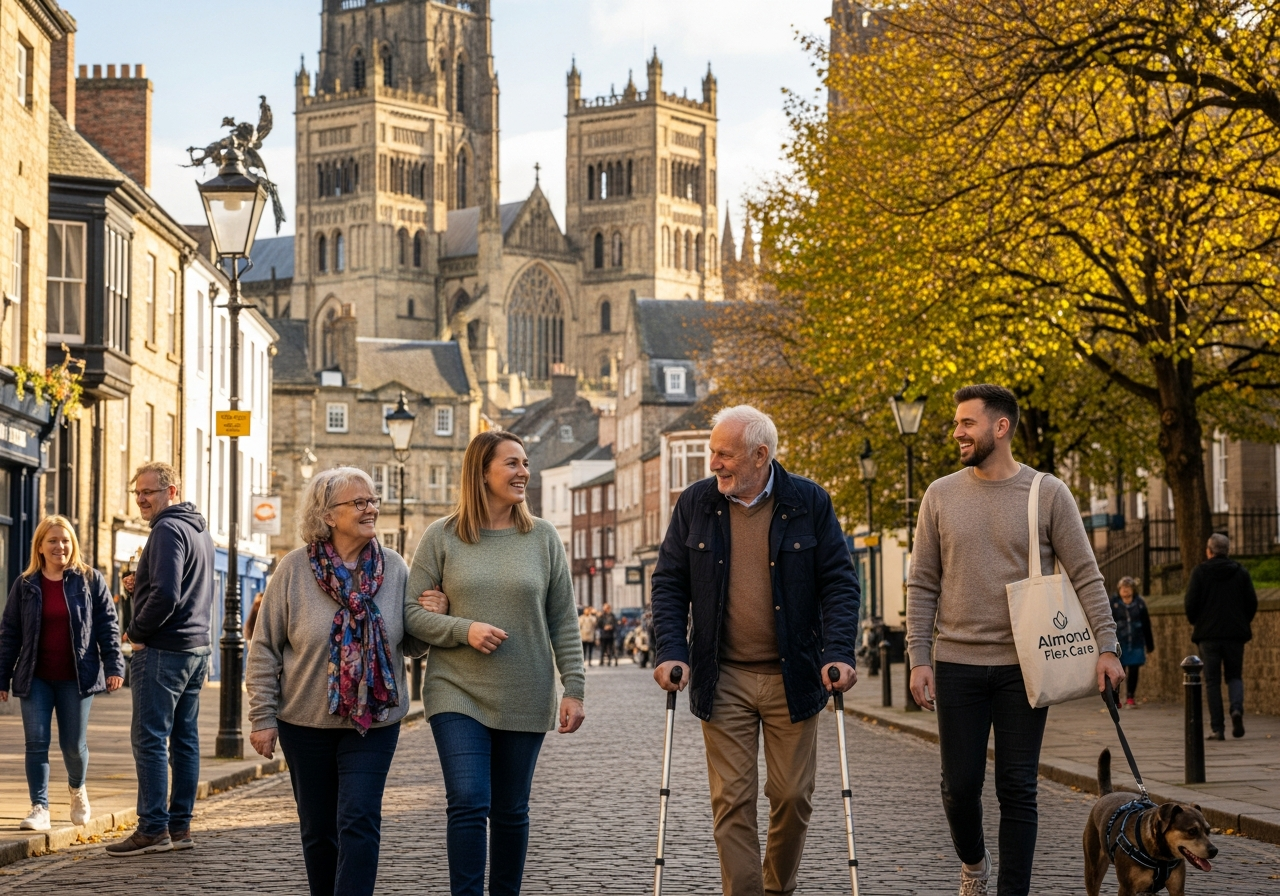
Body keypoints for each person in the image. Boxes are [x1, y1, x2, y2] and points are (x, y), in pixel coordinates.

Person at [907, 385, 1122, 896]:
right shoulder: (939, 494)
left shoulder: (1047, 493)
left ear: (1000, 428)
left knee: (1017, 789)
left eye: (967, 423)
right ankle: (974, 864)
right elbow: (922, 582)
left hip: (1025, 666)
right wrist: (919, 657)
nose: (956, 432)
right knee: (959, 788)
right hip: (956, 661)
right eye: (956, 423)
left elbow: (1087, 575)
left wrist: (1107, 646)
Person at [651, 405, 860, 896]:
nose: (713, 463)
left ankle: (776, 889)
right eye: (711, 452)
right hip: (722, 676)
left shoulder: (808, 502)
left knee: (791, 797)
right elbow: (668, 582)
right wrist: (670, 649)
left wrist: (840, 652)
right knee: (732, 800)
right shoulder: (696, 504)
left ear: (759, 455)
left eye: (724, 454)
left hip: (796, 674)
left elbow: (840, 583)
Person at [405, 430, 585, 896]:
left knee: (511, 810)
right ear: (481, 472)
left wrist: (575, 689)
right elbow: (410, 614)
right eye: (512, 463)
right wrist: (463, 629)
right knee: (467, 800)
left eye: (525, 463)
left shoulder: (543, 537)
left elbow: (563, 619)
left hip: (525, 689)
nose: (523, 472)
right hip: (455, 689)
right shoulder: (441, 536)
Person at [246, 467, 433, 896]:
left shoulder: (395, 568)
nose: (372, 509)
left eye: (373, 501)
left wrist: (430, 613)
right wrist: (262, 717)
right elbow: (265, 648)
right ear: (328, 515)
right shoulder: (293, 570)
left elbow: (413, 646)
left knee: (359, 818)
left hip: (375, 721)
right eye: (360, 502)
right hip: (304, 723)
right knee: (318, 829)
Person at [107, 463, 215, 858]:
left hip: (165, 650)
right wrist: (142, 584)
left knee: (150, 739)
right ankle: (179, 826)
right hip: (196, 648)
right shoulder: (198, 529)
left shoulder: (168, 529)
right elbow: (180, 587)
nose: (141, 499)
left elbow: (168, 595)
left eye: (149, 492)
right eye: (137, 493)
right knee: (185, 740)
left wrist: (135, 631)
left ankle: (153, 828)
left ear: (172, 491)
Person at [0, 515, 124, 832]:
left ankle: (77, 789)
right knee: (36, 743)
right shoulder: (25, 584)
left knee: (73, 745)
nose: (60, 546)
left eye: (65, 539)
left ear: (73, 544)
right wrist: (1, 677)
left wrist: (114, 665)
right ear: (40, 546)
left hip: (76, 678)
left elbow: (108, 627)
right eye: (53, 540)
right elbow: (9, 633)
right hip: (35, 677)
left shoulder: (90, 580)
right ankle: (39, 807)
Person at [1185, 533, 1257, 740]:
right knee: (1235, 676)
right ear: (1228, 551)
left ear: (1209, 551)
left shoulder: (1200, 572)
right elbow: (1251, 602)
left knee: (1212, 681)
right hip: (1235, 634)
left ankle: (1218, 728)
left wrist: (1198, 622)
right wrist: (1242, 622)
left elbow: (1190, 604)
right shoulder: (1240, 572)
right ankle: (1236, 709)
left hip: (1208, 636)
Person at [1110, 577, 1154, 707]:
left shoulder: (1139, 603)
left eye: (1128, 588)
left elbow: (1146, 624)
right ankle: (1115, 698)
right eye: (1123, 588)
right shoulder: (1114, 604)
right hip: (1120, 643)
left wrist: (1149, 644)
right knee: (1118, 672)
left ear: (1133, 590)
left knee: (1134, 670)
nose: (1125, 590)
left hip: (1136, 642)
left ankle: (1130, 697)